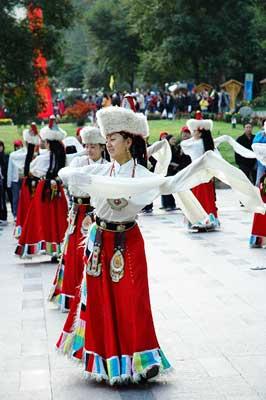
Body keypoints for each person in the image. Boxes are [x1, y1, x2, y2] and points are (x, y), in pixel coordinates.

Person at [55, 107, 265, 385]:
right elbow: (66, 172)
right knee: (99, 300)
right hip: (98, 240)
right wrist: (76, 174)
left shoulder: (143, 174)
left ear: (129, 141)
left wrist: (205, 164)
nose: (108, 143)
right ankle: (104, 359)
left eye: (113, 138)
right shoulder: (101, 170)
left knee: (133, 300)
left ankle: (143, 359)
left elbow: (170, 183)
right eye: (107, 138)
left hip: (126, 241)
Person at [49, 127, 108, 312]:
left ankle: (92, 296)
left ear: (101, 147)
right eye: (87, 146)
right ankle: (70, 296)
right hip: (78, 212)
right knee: (74, 253)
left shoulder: (107, 166)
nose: (89, 150)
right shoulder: (78, 161)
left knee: (93, 254)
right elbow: (68, 178)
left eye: (93, 146)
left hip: (95, 211)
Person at [15, 115, 68, 258]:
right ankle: (58, 249)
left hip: (43, 189)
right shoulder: (62, 157)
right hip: (57, 190)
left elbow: (28, 171)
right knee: (58, 219)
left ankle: (39, 246)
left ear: (49, 143)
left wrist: (31, 146)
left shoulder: (43, 158)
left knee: (39, 219)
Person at [181, 119, 220, 230]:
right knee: (208, 198)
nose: (192, 133)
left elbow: (183, 145)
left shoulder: (196, 144)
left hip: (197, 173)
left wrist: (193, 138)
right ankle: (209, 219)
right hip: (207, 174)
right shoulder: (208, 144)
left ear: (200, 132)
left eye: (194, 131)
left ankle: (198, 219)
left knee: (198, 197)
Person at [14, 123, 40, 238]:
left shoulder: (35, 154)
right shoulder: (29, 153)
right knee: (28, 208)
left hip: (33, 184)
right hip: (29, 184)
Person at [7, 139, 26, 221]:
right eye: (16, 146)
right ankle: (15, 214)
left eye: (19, 146)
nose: (18, 147)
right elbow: (10, 169)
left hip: (24, 178)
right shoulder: (12, 155)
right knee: (15, 198)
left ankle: (24, 213)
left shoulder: (25, 154)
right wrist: (9, 182)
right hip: (15, 179)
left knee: (25, 196)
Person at [253, 120, 266, 186]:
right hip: (261, 162)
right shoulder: (259, 134)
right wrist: (263, 136)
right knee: (258, 181)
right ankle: (258, 195)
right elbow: (254, 144)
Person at [0, 140, 10, 225]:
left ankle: (4, 217)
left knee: (3, 199)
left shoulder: (6, 156)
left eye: (1, 146)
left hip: (5, 180)